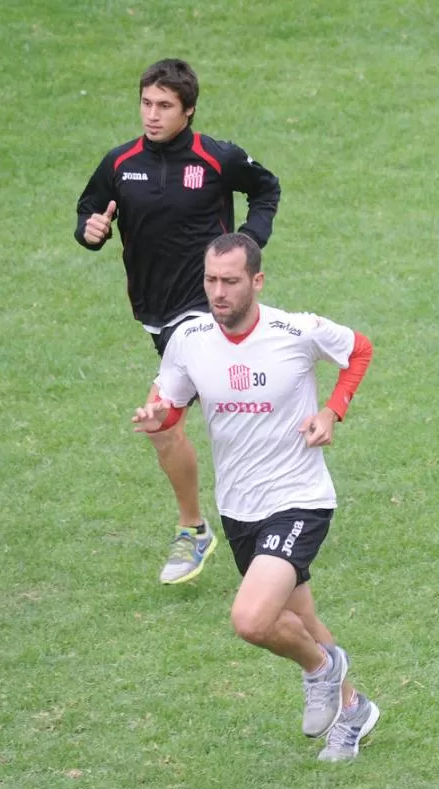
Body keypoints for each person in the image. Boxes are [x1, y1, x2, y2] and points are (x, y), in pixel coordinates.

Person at [132, 233, 378, 762]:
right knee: (301, 623)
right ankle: (352, 711)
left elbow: (359, 349)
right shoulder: (190, 339)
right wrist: (160, 417)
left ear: (257, 281)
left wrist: (332, 411)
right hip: (239, 509)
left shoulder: (295, 331)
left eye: (230, 281)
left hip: (299, 499)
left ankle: (322, 670)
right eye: (210, 280)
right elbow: (172, 404)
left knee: (251, 619)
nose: (218, 292)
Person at [76, 58, 282, 585]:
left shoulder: (217, 158)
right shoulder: (120, 162)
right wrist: (91, 230)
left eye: (164, 106)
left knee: (161, 419)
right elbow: (90, 209)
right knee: (238, 403)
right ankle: (278, 496)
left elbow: (266, 188)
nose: (152, 114)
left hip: (205, 309)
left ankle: (194, 528)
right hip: (156, 316)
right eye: (146, 103)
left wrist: (248, 244)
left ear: (188, 111)